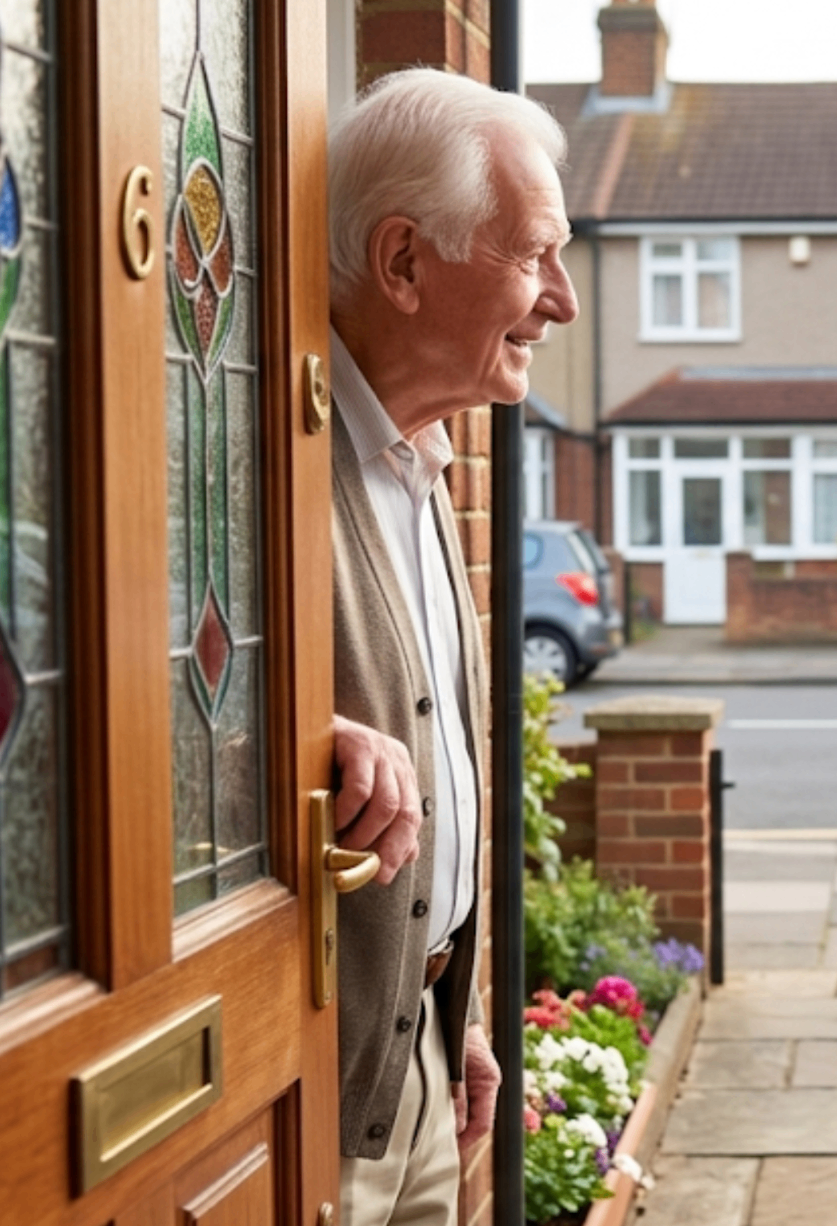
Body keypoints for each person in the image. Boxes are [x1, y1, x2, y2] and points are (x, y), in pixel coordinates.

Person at [324, 68, 578, 1225]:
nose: (560, 302)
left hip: (418, 1059)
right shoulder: (265, 460)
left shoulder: (421, 459)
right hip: (308, 1091)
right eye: (534, 256)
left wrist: (458, 1011)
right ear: (404, 263)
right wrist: (297, 746)